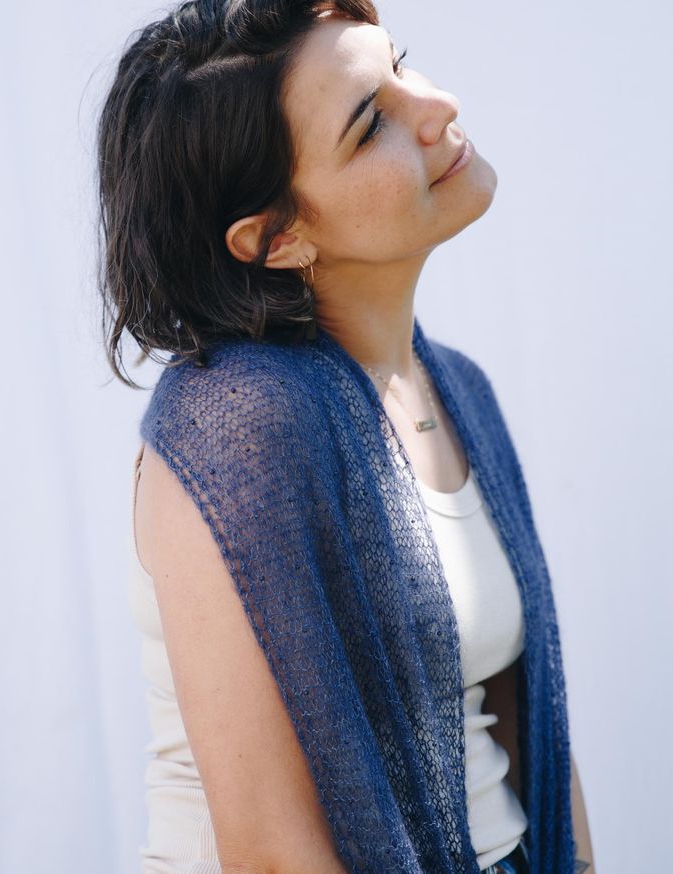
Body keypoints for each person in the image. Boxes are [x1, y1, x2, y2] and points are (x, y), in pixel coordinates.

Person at [96, 2, 595, 872]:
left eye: (402, 66)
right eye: (371, 126)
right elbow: (271, 854)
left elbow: (534, 742)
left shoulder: (456, 388)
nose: (435, 108)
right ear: (277, 238)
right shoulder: (234, 430)